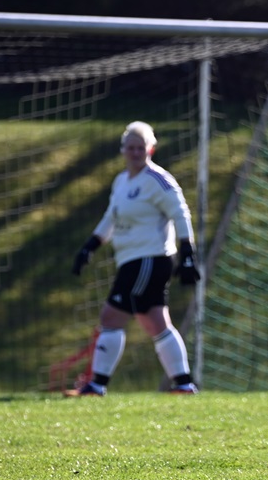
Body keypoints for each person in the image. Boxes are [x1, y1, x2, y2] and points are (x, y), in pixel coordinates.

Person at [69, 121, 202, 396]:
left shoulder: (158, 180)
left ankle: (97, 385)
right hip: (133, 260)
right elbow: (110, 218)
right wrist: (89, 247)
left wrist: (188, 253)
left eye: (141, 148)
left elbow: (180, 213)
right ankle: (184, 384)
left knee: (111, 316)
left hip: (149, 258)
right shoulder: (121, 181)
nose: (135, 152)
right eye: (131, 147)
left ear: (151, 149)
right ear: (123, 150)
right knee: (155, 321)